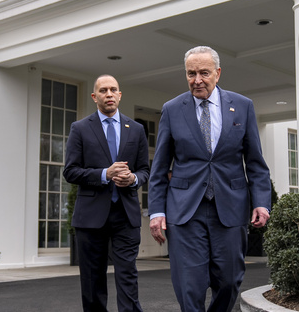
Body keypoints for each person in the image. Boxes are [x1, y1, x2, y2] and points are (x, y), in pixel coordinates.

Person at [148, 46, 271, 311]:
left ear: (217, 73)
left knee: (228, 281)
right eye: (191, 73)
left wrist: (261, 201)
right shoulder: (172, 109)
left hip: (230, 208)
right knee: (189, 285)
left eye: (204, 73)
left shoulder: (242, 106)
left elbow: (255, 163)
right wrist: (156, 210)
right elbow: (159, 168)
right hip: (184, 211)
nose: (197, 80)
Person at [63, 74, 149, 312]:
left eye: (113, 90)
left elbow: (145, 171)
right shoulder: (80, 128)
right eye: (103, 90)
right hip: (90, 217)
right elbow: (70, 172)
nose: (109, 94)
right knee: (92, 280)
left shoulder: (137, 129)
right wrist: (104, 174)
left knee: (128, 276)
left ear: (120, 95)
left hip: (126, 215)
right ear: (95, 96)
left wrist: (133, 179)